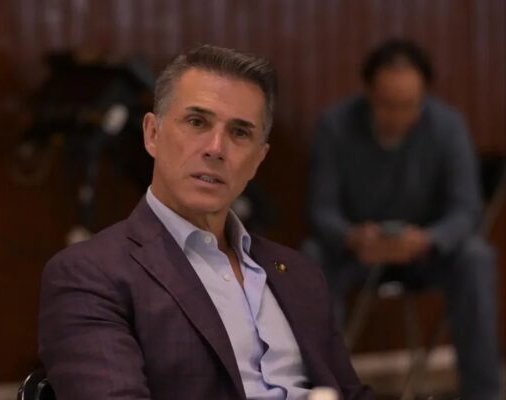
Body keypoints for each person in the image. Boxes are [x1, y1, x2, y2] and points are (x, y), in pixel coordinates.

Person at [39, 44, 372, 400]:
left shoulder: (300, 273)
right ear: (152, 134)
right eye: (197, 122)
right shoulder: (91, 275)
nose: (216, 148)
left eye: (239, 133)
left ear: (258, 159)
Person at [307, 39, 500, 399]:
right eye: (387, 105)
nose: (397, 117)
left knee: (476, 257)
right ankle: (323, 389)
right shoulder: (335, 125)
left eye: (409, 105)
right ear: (368, 93)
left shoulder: (448, 126)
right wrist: (353, 237)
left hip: (425, 251)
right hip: (357, 252)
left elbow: (466, 209)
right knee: (311, 257)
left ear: (424, 95)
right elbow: (321, 210)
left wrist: (429, 239)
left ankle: (483, 393)